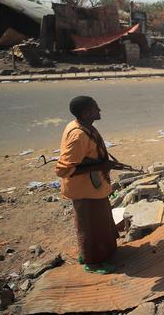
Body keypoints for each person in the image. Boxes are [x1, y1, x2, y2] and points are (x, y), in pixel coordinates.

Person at [55, 96, 118, 274]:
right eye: (96, 108)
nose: (100, 111)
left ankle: (93, 253)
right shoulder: (78, 135)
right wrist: (100, 166)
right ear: (86, 112)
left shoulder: (85, 127)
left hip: (94, 187)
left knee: (98, 223)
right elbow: (63, 170)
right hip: (85, 190)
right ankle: (93, 262)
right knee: (91, 226)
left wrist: (102, 164)